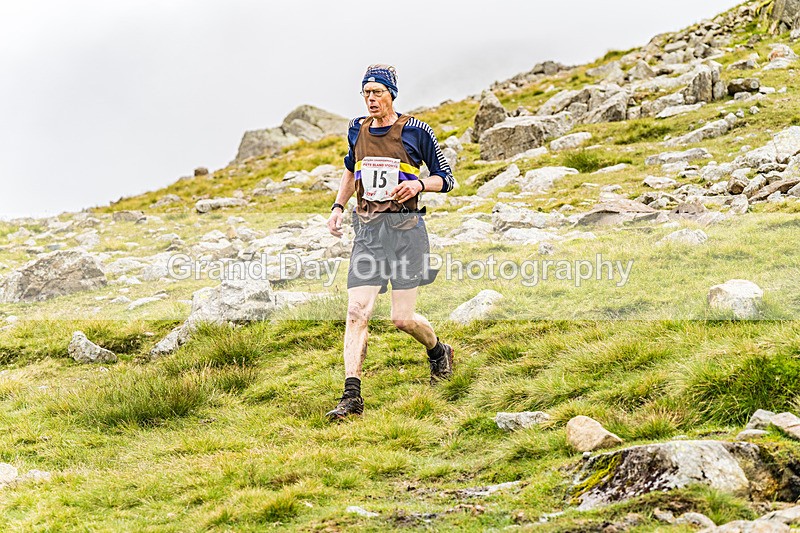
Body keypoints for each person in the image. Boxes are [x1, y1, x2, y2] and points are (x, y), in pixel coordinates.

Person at [325, 64, 456, 421]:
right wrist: (338, 206)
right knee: (356, 312)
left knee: (402, 319)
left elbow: (447, 179)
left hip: (406, 232)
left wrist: (417, 185)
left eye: (377, 92)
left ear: (391, 94)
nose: (370, 99)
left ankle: (438, 350)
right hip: (368, 232)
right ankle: (352, 397)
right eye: (366, 92)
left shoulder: (417, 131)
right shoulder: (357, 129)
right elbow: (351, 169)